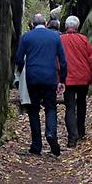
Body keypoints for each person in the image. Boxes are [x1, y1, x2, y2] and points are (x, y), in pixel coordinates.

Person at [15, 13, 68, 156]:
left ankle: (36, 145)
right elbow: (63, 61)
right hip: (50, 78)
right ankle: (51, 134)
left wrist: (22, 73)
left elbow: (19, 58)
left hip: (32, 78)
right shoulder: (55, 37)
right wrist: (62, 80)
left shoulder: (26, 37)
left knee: (34, 110)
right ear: (45, 23)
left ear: (32, 24)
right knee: (50, 107)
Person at [60, 15, 92, 148]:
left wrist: (58, 78)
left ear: (66, 26)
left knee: (70, 107)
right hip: (83, 78)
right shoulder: (83, 39)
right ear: (77, 27)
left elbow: (57, 60)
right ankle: (80, 131)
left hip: (68, 78)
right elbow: (91, 60)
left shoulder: (60, 40)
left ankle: (72, 138)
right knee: (81, 104)